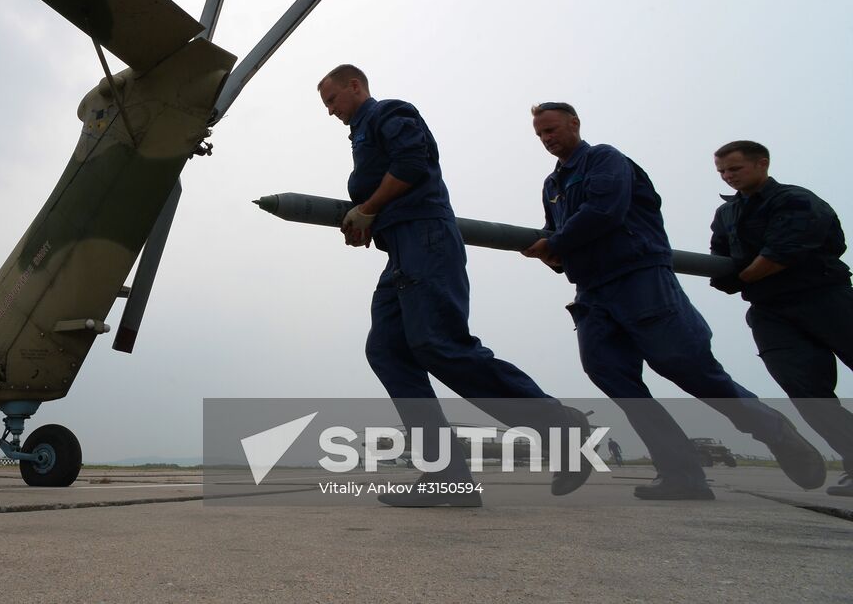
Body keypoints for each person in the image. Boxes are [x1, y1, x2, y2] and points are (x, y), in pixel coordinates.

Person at [317, 65, 591, 507]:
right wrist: (369, 216)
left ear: (355, 86)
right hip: (401, 251)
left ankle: (558, 426)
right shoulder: (363, 132)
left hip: (426, 240)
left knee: (438, 344)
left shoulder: (389, 113)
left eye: (332, 100)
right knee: (387, 350)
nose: (329, 111)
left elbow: (412, 165)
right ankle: (449, 475)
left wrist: (368, 207)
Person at [522, 102, 826, 500]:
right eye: (541, 134)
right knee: (610, 374)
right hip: (592, 291)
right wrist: (552, 252)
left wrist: (556, 243)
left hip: (639, 278)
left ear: (574, 124)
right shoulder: (553, 185)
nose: (548, 139)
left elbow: (604, 212)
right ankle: (682, 474)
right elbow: (555, 230)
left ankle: (774, 431)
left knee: (688, 368)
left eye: (553, 129)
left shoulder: (605, 160)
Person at [710, 140, 853, 497]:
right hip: (771, 312)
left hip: (825, 298)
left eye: (735, 169)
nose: (728, 176)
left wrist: (739, 277)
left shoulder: (794, 200)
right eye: (722, 171)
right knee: (807, 394)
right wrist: (731, 276)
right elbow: (720, 259)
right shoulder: (726, 214)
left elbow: (778, 255)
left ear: (762, 164)